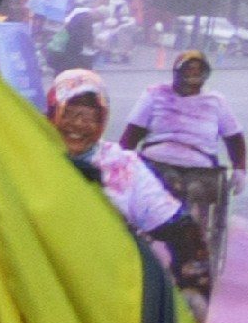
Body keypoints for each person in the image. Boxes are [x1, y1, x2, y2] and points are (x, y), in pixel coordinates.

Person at [122, 48, 242, 307]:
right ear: (176, 72)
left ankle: (187, 258)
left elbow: (234, 138)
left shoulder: (216, 102)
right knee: (152, 187)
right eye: (187, 70)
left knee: (195, 198)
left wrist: (239, 169)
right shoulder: (155, 95)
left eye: (198, 71)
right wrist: (119, 164)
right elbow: (132, 134)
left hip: (199, 167)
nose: (192, 76)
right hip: (157, 161)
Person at [54, 67, 185, 244]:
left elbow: (167, 218)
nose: (78, 124)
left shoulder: (122, 164)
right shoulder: (30, 157)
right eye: (68, 114)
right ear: (52, 113)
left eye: (89, 118)